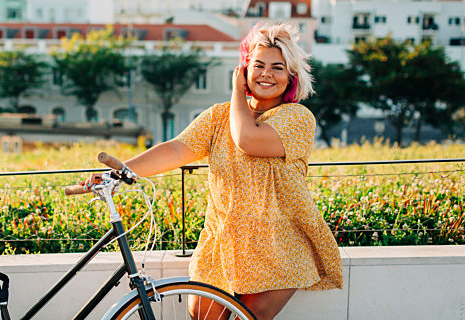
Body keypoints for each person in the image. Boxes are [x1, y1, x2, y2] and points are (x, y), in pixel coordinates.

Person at [82, 23, 343, 320]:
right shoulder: (220, 115)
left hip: (278, 242)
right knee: (201, 314)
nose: (266, 74)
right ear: (245, 69)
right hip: (223, 241)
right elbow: (177, 149)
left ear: (291, 77)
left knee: (248, 316)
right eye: (257, 65)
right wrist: (123, 171)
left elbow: (247, 139)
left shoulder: (297, 117)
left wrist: (235, 90)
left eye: (277, 67)